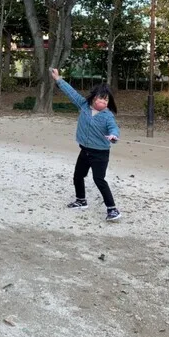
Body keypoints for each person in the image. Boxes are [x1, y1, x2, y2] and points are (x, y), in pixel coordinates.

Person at [51, 68, 122, 222]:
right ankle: (81, 200)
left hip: (100, 153)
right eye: (100, 99)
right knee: (78, 176)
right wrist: (58, 79)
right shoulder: (83, 105)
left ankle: (112, 209)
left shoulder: (107, 115)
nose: (103, 102)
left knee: (99, 180)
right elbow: (71, 93)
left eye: (106, 100)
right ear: (93, 98)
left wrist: (113, 136)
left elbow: (114, 128)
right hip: (85, 151)